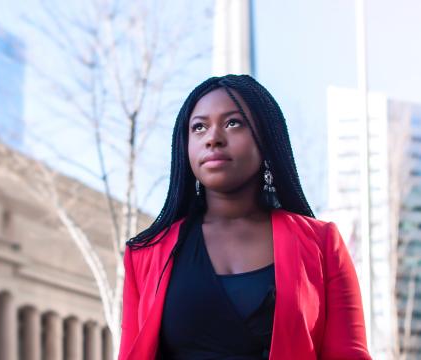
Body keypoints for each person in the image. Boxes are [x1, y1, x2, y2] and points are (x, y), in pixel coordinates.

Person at [118, 75, 371, 360]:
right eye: (199, 127)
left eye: (232, 123)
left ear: (266, 137)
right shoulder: (145, 255)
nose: (213, 138)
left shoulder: (322, 245)